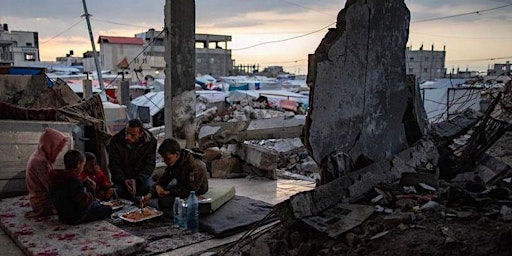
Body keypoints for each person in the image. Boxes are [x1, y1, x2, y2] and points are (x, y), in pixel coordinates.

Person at [49, 149, 113, 225]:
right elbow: (85, 203)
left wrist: (83, 184)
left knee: (98, 204)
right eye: (83, 164)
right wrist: (92, 188)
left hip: (63, 216)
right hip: (76, 217)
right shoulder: (74, 180)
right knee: (108, 209)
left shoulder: (60, 177)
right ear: (79, 164)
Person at [142, 138, 208, 209]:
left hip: (195, 191)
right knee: (148, 190)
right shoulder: (174, 162)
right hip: (180, 186)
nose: (165, 161)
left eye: (167, 158)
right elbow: (164, 180)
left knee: (164, 202)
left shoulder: (196, 166)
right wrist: (150, 194)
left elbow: (190, 190)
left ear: (176, 155)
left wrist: (169, 192)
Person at [108, 119, 156, 202]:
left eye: (133, 135)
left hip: (141, 177)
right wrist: (123, 180)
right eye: (127, 133)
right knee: (118, 192)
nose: (128, 137)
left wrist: (137, 180)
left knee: (149, 188)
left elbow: (149, 165)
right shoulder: (116, 141)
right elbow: (114, 165)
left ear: (141, 134)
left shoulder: (151, 142)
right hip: (122, 177)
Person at [25, 128, 69, 218]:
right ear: (50, 146)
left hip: (36, 199)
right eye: (57, 148)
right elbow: (51, 187)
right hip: (42, 203)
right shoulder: (40, 162)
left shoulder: (38, 155)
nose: (59, 151)